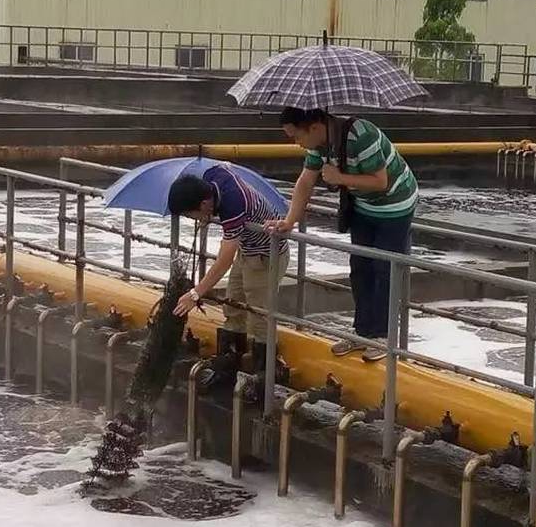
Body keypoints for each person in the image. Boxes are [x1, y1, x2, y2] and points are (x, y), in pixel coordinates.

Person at [267, 107, 418, 360]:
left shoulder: (361, 135)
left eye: (296, 136)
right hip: (363, 207)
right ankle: (361, 331)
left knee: (384, 269)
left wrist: (340, 176)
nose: (296, 143)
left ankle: (382, 336)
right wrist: (290, 220)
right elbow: (305, 181)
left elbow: (381, 181)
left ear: (314, 127)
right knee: (359, 267)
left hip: (395, 205)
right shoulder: (319, 145)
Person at [169, 163, 290, 387]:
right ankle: (228, 369)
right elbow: (226, 166)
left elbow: (224, 259)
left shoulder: (234, 204)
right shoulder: (212, 175)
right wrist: (208, 214)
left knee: (259, 314)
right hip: (247, 250)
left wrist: (195, 294)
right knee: (232, 304)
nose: (192, 218)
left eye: (191, 213)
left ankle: (265, 381)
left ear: (204, 203)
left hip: (266, 255)